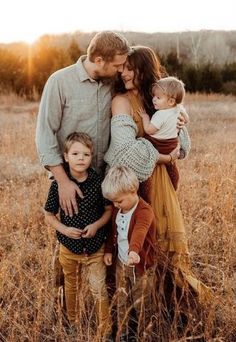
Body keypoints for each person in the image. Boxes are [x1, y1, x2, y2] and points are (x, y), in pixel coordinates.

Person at [104, 46, 211, 314]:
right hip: (135, 184)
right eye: (123, 68)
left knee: (165, 241)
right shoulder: (121, 101)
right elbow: (126, 151)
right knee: (138, 240)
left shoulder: (161, 99)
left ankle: (172, 306)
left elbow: (181, 147)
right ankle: (137, 311)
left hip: (162, 182)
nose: (124, 73)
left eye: (130, 68)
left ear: (143, 70)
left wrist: (180, 124)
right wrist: (163, 157)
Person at [36, 31, 130, 217]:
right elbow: (45, 135)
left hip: (109, 177)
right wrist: (63, 182)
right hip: (72, 180)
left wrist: (175, 114)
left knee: (108, 239)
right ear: (99, 60)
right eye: (117, 65)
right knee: (74, 238)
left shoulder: (113, 81)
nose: (121, 70)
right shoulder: (59, 81)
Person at [44, 132, 113, 338]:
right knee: (71, 287)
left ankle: (105, 329)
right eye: (75, 153)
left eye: (86, 154)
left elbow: (109, 210)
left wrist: (96, 225)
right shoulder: (58, 185)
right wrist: (64, 229)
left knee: (99, 289)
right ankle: (73, 323)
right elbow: (49, 214)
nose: (81, 158)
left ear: (92, 156)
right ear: (65, 156)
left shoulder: (98, 182)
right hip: (69, 247)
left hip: (94, 247)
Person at [102, 165, 157, 341]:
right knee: (122, 298)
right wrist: (109, 250)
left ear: (133, 191)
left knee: (143, 302)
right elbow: (113, 231)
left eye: (119, 201)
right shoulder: (118, 209)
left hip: (141, 265)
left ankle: (145, 333)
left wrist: (134, 251)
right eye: (113, 202)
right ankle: (123, 333)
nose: (116, 205)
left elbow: (139, 232)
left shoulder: (144, 211)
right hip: (121, 262)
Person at [139, 76, 188, 190]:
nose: (154, 100)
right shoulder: (177, 109)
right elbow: (186, 118)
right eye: (154, 96)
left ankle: (145, 185)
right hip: (171, 145)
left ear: (171, 101)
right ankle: (174, 183)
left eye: (158, 97)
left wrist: (145, 118)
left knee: (147, 164)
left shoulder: (160, 114)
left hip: (157, 145)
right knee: (172, 167)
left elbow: (149, 130)